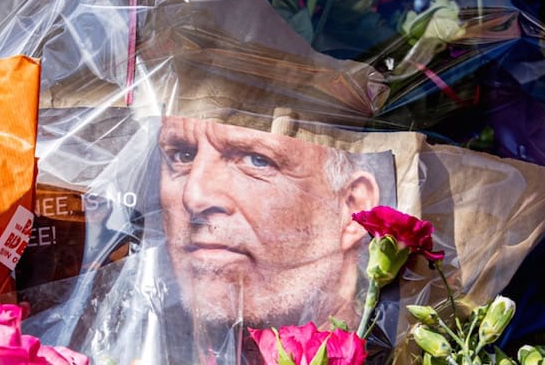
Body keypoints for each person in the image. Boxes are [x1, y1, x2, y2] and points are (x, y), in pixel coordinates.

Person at [157, 115, 382, 333]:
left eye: (257, 160)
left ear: (353, 209)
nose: (194, 197)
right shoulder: (142, 349)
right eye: (183, 156)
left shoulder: (406, 358)